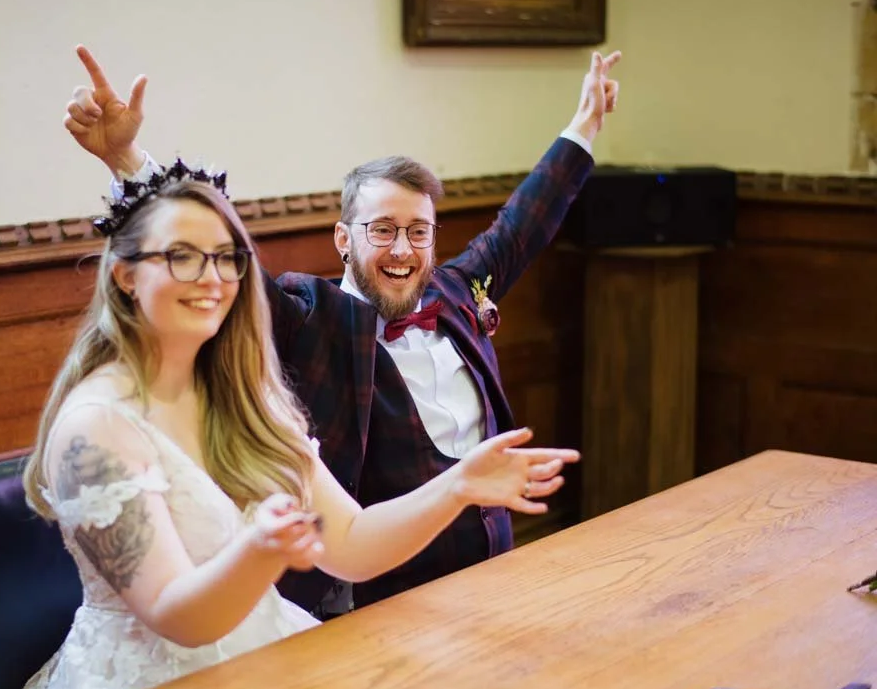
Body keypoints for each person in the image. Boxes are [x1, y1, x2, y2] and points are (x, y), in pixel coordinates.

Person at [62, 45, 619, 615]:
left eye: (418, 231)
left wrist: (584, 125)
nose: (403, 249)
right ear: (343, 239)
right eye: (381, 229)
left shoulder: (457, 291)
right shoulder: (308, 314)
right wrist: (127, 158)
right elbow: (214, 250)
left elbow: (525, 220)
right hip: (378, 602)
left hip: (497, 575)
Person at [11, 163, 577, 689]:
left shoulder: (247, 398)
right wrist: (259, 550)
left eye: (227, 258)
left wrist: (460, 485)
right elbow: (173, 617)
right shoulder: (98, 425)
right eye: (182, 258)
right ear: (125, 274)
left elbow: (351, 543)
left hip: (268, 659)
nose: (211, 278)